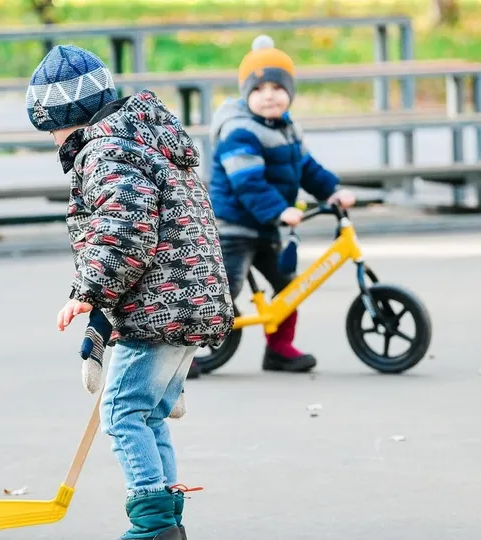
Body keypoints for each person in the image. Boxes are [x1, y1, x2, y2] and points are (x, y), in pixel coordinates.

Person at [27, 45, 235, 540]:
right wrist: (100, 320)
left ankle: (152, 526)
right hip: (190, 300)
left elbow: (124, 227)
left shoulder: (106, 150)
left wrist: (87, 290)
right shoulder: (147, 140)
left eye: (52, 129)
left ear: (68, 118)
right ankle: (168, 521)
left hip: (159, 306)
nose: (55, 141)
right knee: (150, 413)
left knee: (120, 412)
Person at [196, 35, 356, 378]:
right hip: (234, 225)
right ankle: (183, 349)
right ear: (246, 94)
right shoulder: (239, 131)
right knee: (226, 287)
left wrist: (333, 191)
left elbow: (306, 168)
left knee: (288, 284)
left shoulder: (287, 128)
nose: (268, 94)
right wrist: (280, 210)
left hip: (266, 225)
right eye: (258, 89)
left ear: (290, 92)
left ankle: (279, 350)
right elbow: (248, 182)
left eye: (276, 87)